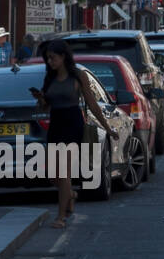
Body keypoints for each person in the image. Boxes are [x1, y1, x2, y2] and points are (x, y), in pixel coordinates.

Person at [36, 39, 115, 228]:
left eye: (53, 58)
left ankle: (61, 216)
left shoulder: (78, 76)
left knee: (64, 173)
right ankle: (70, 194)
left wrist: (107, 127)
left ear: (63, 57)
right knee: (52, 173)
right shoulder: (50, 78)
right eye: (48, 59)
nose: (50, 62)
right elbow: (46, 107)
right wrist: (41, 99)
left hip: (72, 123)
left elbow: (93, 104)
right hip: (56, 123)